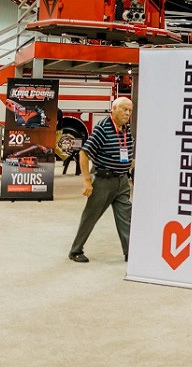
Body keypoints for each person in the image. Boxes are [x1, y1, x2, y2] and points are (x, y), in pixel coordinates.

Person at [68, 97, 134, 263]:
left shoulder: (126, 128)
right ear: (114, 109)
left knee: (125, 217)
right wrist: (87, 181)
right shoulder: (103, 128)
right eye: (124, 109)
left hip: (122, 181)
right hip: (104, 180)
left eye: (130, 110)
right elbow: (84, 153)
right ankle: (76, 251)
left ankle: (131, 251)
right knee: (91, 216)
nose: (128, 113)